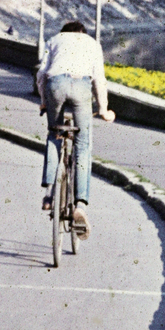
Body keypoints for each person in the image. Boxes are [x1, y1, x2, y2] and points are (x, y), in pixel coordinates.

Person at [36, 19, 115, 239]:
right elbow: (99, 78)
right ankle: (80, 204)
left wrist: (44, 101)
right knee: (82, 145)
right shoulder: (91, 42)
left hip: (55, 85)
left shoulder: (55, 39)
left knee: (54, 135)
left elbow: (41, 74)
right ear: (82, 32)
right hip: (81, 86)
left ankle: (49, 194)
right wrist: (103, 109)